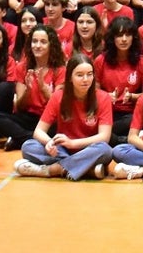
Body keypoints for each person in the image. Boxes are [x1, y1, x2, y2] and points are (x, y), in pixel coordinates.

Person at [14, 52, 114, 180]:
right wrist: (49, 142)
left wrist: (72, 143)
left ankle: (52, 170)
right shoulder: (58, 96)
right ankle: (86, 169)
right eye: (80, 75)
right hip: (62, 150)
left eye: (89, 74)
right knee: (28, 146)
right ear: (70, 77)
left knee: (105, 150)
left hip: (88, 149)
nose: (85, 79)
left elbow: (104, 137)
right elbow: (38, 131)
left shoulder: (103, 97)